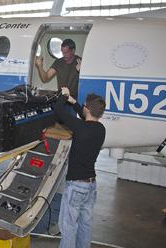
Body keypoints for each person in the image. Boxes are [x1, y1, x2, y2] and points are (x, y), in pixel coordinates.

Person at [54, 87, 106, 248]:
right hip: (91, 186)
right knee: (85, 225)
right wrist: (74, 102)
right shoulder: (100, 129)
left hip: (76, 186)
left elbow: (58, 110)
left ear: (87, 109)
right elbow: (85, 117)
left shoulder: (80, 127)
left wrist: (63, 95)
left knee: (68, 227)